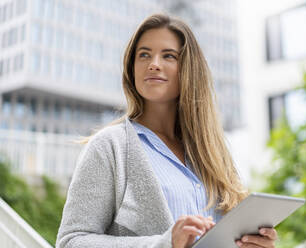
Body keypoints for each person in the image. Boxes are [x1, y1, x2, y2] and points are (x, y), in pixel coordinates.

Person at [56, 13, 278, 248]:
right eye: (144, 55)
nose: (153, 63)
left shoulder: (213, 152)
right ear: (132, 68)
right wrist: (163, 243)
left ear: (188, 69)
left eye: (168, 56)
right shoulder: (110, 146)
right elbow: (72, 241)